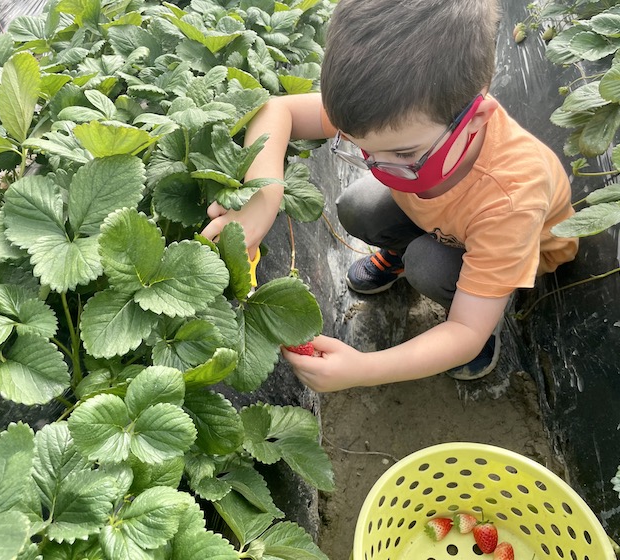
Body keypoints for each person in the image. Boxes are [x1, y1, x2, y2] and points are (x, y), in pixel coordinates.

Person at [200, 0, 579, 392]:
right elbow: (279, 111)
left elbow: (463, 329)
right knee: (357, 206)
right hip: (437, 216)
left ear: (475, 119)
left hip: (511, 249)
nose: (378, 166)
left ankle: (487, 335)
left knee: (428, 265)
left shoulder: (512, 197)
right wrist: (263, 198)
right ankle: (398, 256)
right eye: (360, 147)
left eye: (402, 154)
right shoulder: (402, 114)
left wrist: (364, 369)